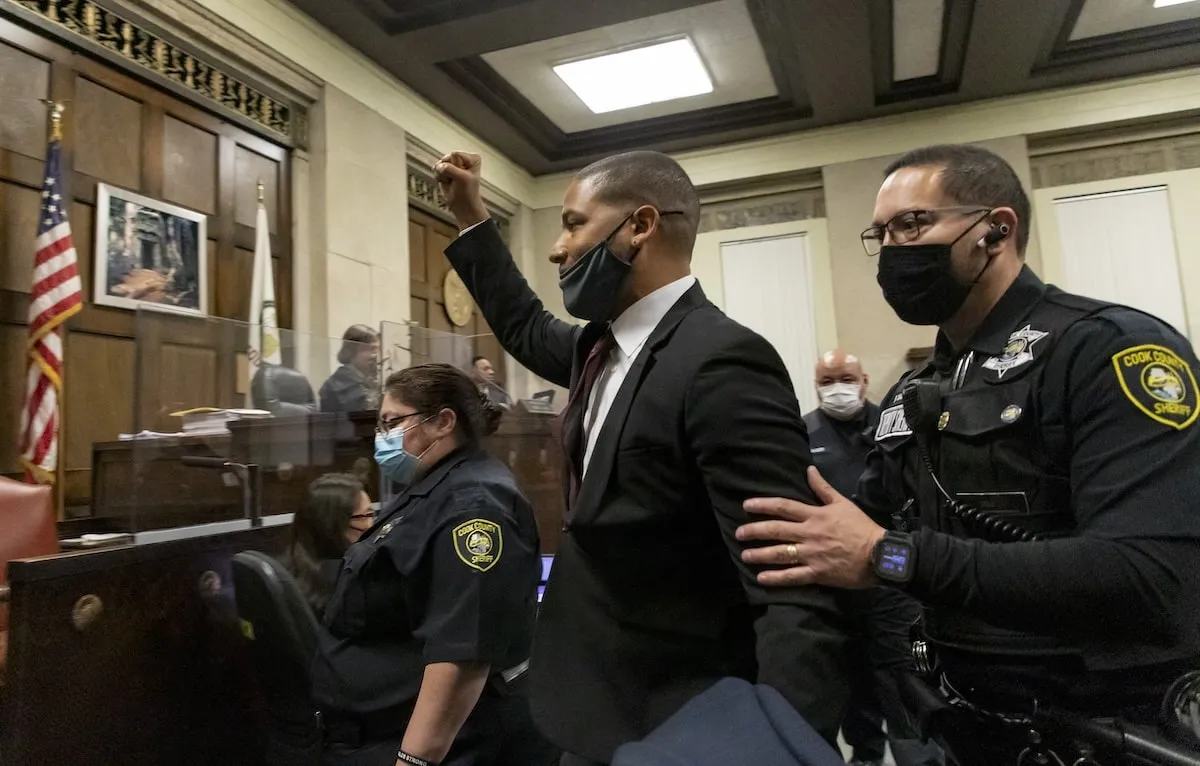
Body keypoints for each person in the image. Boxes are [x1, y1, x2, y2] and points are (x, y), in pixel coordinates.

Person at [736, 144, 1200, 764]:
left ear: (995, 231)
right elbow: (848, 530)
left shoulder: (1107, 350)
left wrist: (889, 557)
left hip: (1104, 728)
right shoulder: (912, 394)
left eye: (914, 224)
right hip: (969, 726)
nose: (894, 249)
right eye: (882, 233)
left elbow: (1152, 576)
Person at [434, 149, 847, 765]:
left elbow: (786, 575)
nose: (557, 248)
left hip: (680, 719)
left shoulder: (723, 360)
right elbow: (521, 324)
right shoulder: (598, 349)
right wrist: (472, 217)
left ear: (639, 226)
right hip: (596, 704)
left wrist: (775, 743)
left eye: (574, 223)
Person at [312, 363, 557, 766]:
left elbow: (462, 655)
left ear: (443, 421)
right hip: (375, 734)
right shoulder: (435, 485)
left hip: (443, 747)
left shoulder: (473, 505)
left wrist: (414, 760)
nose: (381, 437)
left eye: (392, 422)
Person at [805, 351, 943, 766]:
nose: (837, 388)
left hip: (892, 576)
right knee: (851, 684)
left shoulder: (894, 426)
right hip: (834, 586)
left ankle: (919, 758)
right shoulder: (801, 432)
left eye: (845, 378)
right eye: (827, 380)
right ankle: (865, 757)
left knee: (905, 680)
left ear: (864, 380)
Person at [282, 473, 374, 619]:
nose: (371, 525)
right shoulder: (349, 587)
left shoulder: (292, 567)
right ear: (334, 525)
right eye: (365, 516)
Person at [320, 325, 380, 413]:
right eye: (369, 349)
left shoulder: (375, 378)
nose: (375, 355)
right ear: (350, 352)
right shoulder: (335, 386)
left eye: (377, 349)